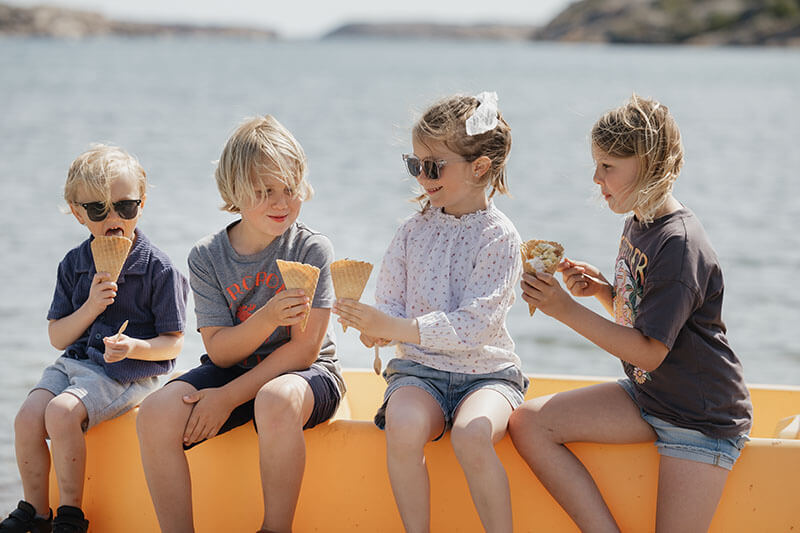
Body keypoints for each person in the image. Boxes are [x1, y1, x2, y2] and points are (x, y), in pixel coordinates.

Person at [508, 94, 752, 532]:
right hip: (651, 397)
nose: (596, 177)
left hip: (700, 418)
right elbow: (645, 316)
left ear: (648, 164)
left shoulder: (679, 244)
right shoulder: (640, 220)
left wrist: (562, 309)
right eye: (596, 164)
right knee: (529, 423)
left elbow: (650, 352)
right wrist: (604, 291)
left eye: (607, 166)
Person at [136, 114, 345, 533]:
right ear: (234, 191)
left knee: (275, 400)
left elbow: (304, 350)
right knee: (154, 414)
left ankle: (275, 528)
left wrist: (227, 398)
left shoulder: (311, 248)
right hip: (235, 368)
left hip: (306, 376)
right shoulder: (207, 256)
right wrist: (268, 317)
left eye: (290, 189)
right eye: (265, 191)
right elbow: (220, 351)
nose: (281, 203)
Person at [333, 92, 528, 533]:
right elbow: (390, 305)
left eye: (434, 166)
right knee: (401, 427)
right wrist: (372, 329)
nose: (422, 176)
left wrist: (397, 326)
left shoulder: (500, 237)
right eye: (414, 164)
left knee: (472, 434)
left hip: (489, 375)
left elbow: (478, 325)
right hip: (419, 371)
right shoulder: (410, 233)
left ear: (480, 167)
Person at [0, 145, 188, 533]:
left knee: (61, 413)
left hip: (130, 374)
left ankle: (70, 513)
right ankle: (36, 512)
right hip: (74, 362)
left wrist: (134, 347)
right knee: (27, 417)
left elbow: (173, 342)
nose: (114, 219)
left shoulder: (159, 268)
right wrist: (89, 307)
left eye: (125, 207)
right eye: (98, 210)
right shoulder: (74, 264)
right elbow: (57, 336)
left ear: (142, 203)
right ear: (77, 211)